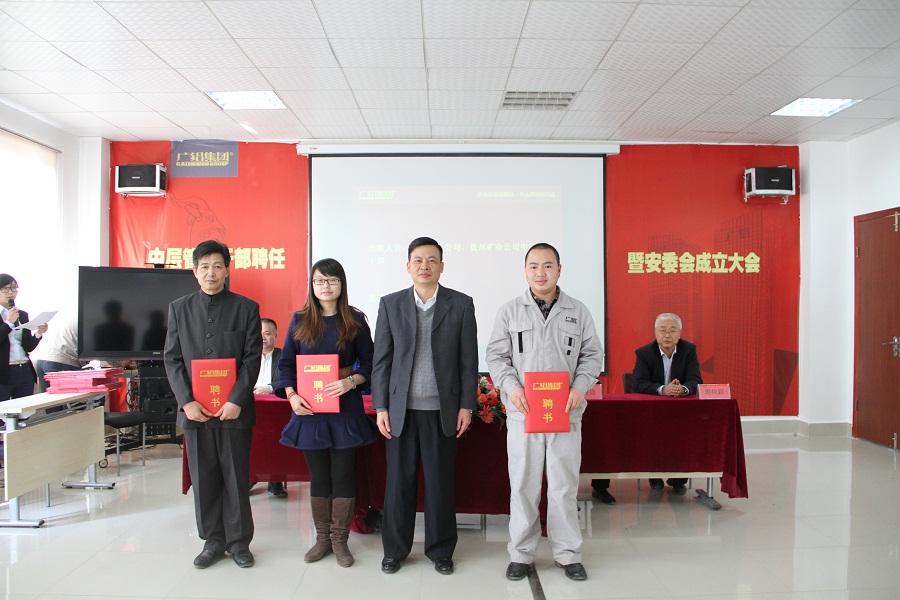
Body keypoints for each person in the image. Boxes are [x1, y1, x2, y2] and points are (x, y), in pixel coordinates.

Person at [486, 243, 603, 582]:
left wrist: (580, 387)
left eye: (548, 266)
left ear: (559, 270)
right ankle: (521, 553)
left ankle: (568, 554)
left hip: (565, 413)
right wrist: (512, 388)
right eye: (534, 266)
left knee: (563, 486)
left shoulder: (578, 311)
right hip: (524, 414)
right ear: (525, 271)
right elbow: (496, 357)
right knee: (523, 485)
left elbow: (593, 355)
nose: (541, 272)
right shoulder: (510, 311)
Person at [372, 237, 477, 576]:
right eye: (418, 260)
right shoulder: (390, 304)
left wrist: (467, 405)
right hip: (400, 411)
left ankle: (441, 551)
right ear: (408, 266)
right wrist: (381, 406)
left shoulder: (461, 304)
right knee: (398, 484)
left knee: (439, 484)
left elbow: (468, 361)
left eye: (432, 260)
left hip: (442, 410)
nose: (425, 266)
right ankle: (394, 550)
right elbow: (381, 361)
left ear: (442, 266)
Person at [164, 240, 261, 569]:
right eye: (204, 266)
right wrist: (186, 402)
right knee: (204, 479)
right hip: (196, 413)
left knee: (236, 478)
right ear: (195, 272)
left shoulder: (246, 308)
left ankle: (239, 543)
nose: (211, 272)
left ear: (227, 270)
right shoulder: (179, 309)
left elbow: (251, 359)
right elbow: (172, 360)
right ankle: (213, 541)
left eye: (217, 266)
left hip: (234, 412)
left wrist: (236, 399)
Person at [277, 258, 378, 568]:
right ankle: (322, 539)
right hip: (310, 408)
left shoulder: (354, 319)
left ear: (341, 284)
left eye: (332, 280)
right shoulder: (300, 320)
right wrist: (291, 395)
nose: (326, 286)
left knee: (343, 475)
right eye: (319, 280)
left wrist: (351, 381)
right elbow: (286, 364)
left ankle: (340, 541)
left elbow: (371, 363)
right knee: (319, 476)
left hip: (344, 406)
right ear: (312, 284)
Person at [633, 312, 702, 495]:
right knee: (652, 435)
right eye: (663, 330)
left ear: (680, 333)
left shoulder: (689, 350)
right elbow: (638, 383)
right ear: (656, 332)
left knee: (685, 436)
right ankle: (654, 475)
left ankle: (678, 480)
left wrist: (683, 389)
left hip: (680, 411)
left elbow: (696, 380)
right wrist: (664, 389)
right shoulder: (644, 353)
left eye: (672, 330)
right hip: (652, 411)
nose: (667, 335)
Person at [1, 274, 48, 401]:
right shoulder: (11, 317)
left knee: (25, 408)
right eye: (6, 288)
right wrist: (8, 323)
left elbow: (28, 347)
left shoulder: (22, 315)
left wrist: (39, 333)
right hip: (4, 371)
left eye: (14, 288)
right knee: (3, 409)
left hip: (24, 368)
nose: (11, 292)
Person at [254, 317, 286, 497]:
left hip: (274, 407)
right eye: (259, 334)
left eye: (267, 333)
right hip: (250, 406)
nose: (263, 338)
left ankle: (275, 480)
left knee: (275, 442)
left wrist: (270, 388)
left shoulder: (284, 356)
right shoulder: (246, 356)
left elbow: (290, 379)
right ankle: (251, 477)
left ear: (275, 335)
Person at [32, 309, 86, 393]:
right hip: (61, 361)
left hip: (42, 358)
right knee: (65, 398)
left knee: (49, 398)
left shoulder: (71, 317)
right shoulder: (87, 321)